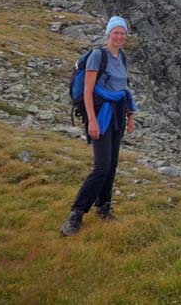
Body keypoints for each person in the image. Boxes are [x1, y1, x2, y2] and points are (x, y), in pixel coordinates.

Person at [60, 16, 137, 236]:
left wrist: (130, 116)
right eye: (116, 32)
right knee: (101, 167)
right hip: (101, 115)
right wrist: (92, 121)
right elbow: (87, 91)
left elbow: (123, 89)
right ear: (108, 34)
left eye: (123, 33)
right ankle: (76, 214)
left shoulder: (122, 57)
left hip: (117, 115)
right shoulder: (97, 56)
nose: (119, 36)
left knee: (111, 165)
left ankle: (104, 208)